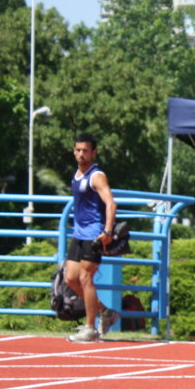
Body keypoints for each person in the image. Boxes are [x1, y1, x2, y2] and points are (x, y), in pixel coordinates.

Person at [64, 133, 119, 343]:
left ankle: (90, 328)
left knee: (86, 278)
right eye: (78, 150)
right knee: (71, 279)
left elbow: (111, 203)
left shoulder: (96, 176)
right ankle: (106, 313)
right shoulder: (77, 173)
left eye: (85, 151)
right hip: (79, 233)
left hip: (94, 234)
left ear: (93, 153)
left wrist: (107, 231)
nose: (81, 154)